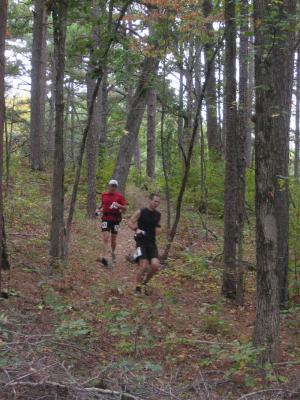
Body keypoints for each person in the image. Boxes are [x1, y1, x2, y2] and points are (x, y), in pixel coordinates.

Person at [128, 193, 161, 294]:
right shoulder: (141, 212)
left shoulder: (158, 214)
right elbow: (130, 222)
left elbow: (158, 227)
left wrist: (159, 230)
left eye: (158, 202)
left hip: (152, 243)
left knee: (155, 265)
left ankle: (145, 283)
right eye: (155, 201)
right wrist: (136, 229)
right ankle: (137, 288)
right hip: (141, 242)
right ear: (150, 200)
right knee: (143, 265)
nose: (157, 203)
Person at [96, 180, 128, 267]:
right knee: (105, 237)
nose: (113, 187)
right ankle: (104, 257)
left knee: (113, 239)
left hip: (116, 220)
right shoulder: (104, 195)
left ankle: (113, 252)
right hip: (105, 218)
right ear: (108, 186)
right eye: (111, 186)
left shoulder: (119, 196)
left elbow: (126, 208)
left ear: (116, 187)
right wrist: (98, 210)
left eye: (115, 186)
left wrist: (119, 206)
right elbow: (102, 205)